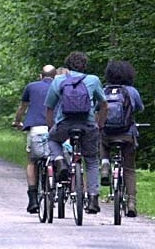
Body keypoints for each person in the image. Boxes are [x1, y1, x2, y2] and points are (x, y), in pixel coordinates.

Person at [44, 51, 108, 214]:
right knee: (92, 161)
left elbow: (50, 107)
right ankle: (93, 198)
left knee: (52, 140)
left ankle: (60, 161)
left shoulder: (58, 80)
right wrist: (99, 125)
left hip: (65, 124)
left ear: (67, 66)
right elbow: (104, 104)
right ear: (85, 65)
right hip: (87, 125)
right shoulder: (93, 80)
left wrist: (51, 127)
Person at [100, 60, 144, 217]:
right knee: (129, 168)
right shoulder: (132, 91)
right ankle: (131, 202)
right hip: (126, 135)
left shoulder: (104, 90)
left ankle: (105, 166)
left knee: (102, 143)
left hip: (107, 134)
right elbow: (139, 108)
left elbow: (96, 108)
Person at [12, 65, 57, 213]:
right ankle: (56, 186)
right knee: (56, 156)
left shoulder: (31, 87)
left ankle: (32, 199)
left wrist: (17, 121)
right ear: (55, 76)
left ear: (40, 76)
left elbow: (22, 108)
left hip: (36, 128)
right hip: (56, 128)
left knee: (32, 161)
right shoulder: (60, 86)